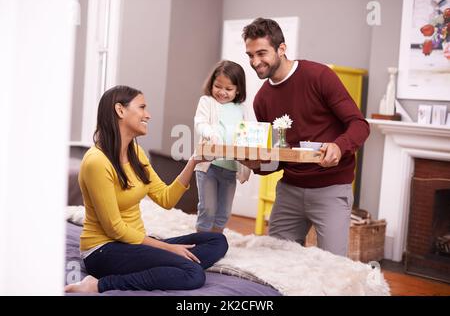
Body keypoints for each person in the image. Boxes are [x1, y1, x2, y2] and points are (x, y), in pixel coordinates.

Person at [64, 85, 228, 293]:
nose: (148, 115)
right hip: (103, 250)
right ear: (120, 110)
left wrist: (194, 161)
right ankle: (98, 284)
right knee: (193, 274)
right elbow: (114, 228)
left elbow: (165, 199)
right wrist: (168, 248)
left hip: (134, 244)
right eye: (142, 107)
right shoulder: (97, 161)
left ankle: (163, 266)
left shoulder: (136, 152)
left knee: (217, 240)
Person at [241, 18, 370, 256]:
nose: (255, 62)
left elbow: (359, 125)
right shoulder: (262, 100)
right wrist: (257, 165)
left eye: (261, 53)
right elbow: (278, 156)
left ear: (282, 48)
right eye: (250, 55)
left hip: (331, 189)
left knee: (332, 266)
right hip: (290, 190)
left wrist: (339, 147)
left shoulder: (319, 76)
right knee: (275, 261)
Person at [194, 60, 251, 233]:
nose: (222, 92)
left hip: (230, 169)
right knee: (208, 208)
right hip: (208, 167)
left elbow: (245, 133)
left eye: (229, 89)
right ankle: (201, 240)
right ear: (212, 84)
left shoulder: (241, 109)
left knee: (224, 212)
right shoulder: (207, 102)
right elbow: (200, 123)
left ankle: (214, 241)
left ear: (238, 90)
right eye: (218, 86)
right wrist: (211, 133)